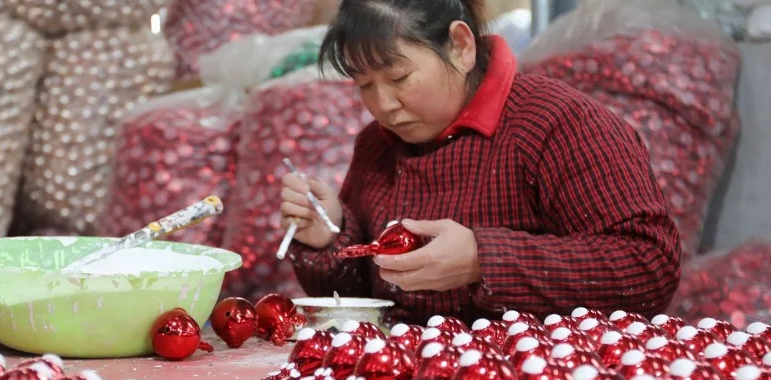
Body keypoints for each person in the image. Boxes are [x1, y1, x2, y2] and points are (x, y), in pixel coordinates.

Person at [279, 0, 682, 323]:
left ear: (460, 46)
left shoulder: (559, 124)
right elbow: (365, 304)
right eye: (365, 85)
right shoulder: (376, 145)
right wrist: (333, 235)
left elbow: (648, 267)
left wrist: (483, 261)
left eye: (399, 78)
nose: (383, 105)